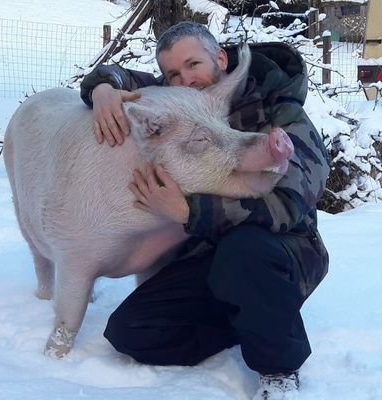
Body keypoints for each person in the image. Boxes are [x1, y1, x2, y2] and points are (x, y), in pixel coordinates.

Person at [79, 21, 330, 400]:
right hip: (207, 255)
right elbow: (126, 77)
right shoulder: (178, 101)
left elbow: (286, 202)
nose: (186, 79)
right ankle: (247, 318)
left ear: (220, 58)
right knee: (130, 330)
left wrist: (188, 212)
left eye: (194, 64)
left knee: (243, 249)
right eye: (173, 74)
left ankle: (278, 370)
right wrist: (102, 88)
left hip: (281, 251)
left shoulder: (279, 110)